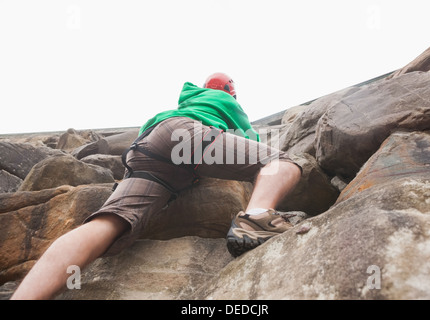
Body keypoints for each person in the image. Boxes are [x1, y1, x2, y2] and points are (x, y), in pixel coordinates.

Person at [11, 72, 302, 300]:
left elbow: (140, 135)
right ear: (231, 92)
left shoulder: (186, 101)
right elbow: (251, 144)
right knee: (282, 164)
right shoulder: (227, 102)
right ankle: (255, 219)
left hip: (148, 150)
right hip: (184, 140)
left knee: (107, 224)